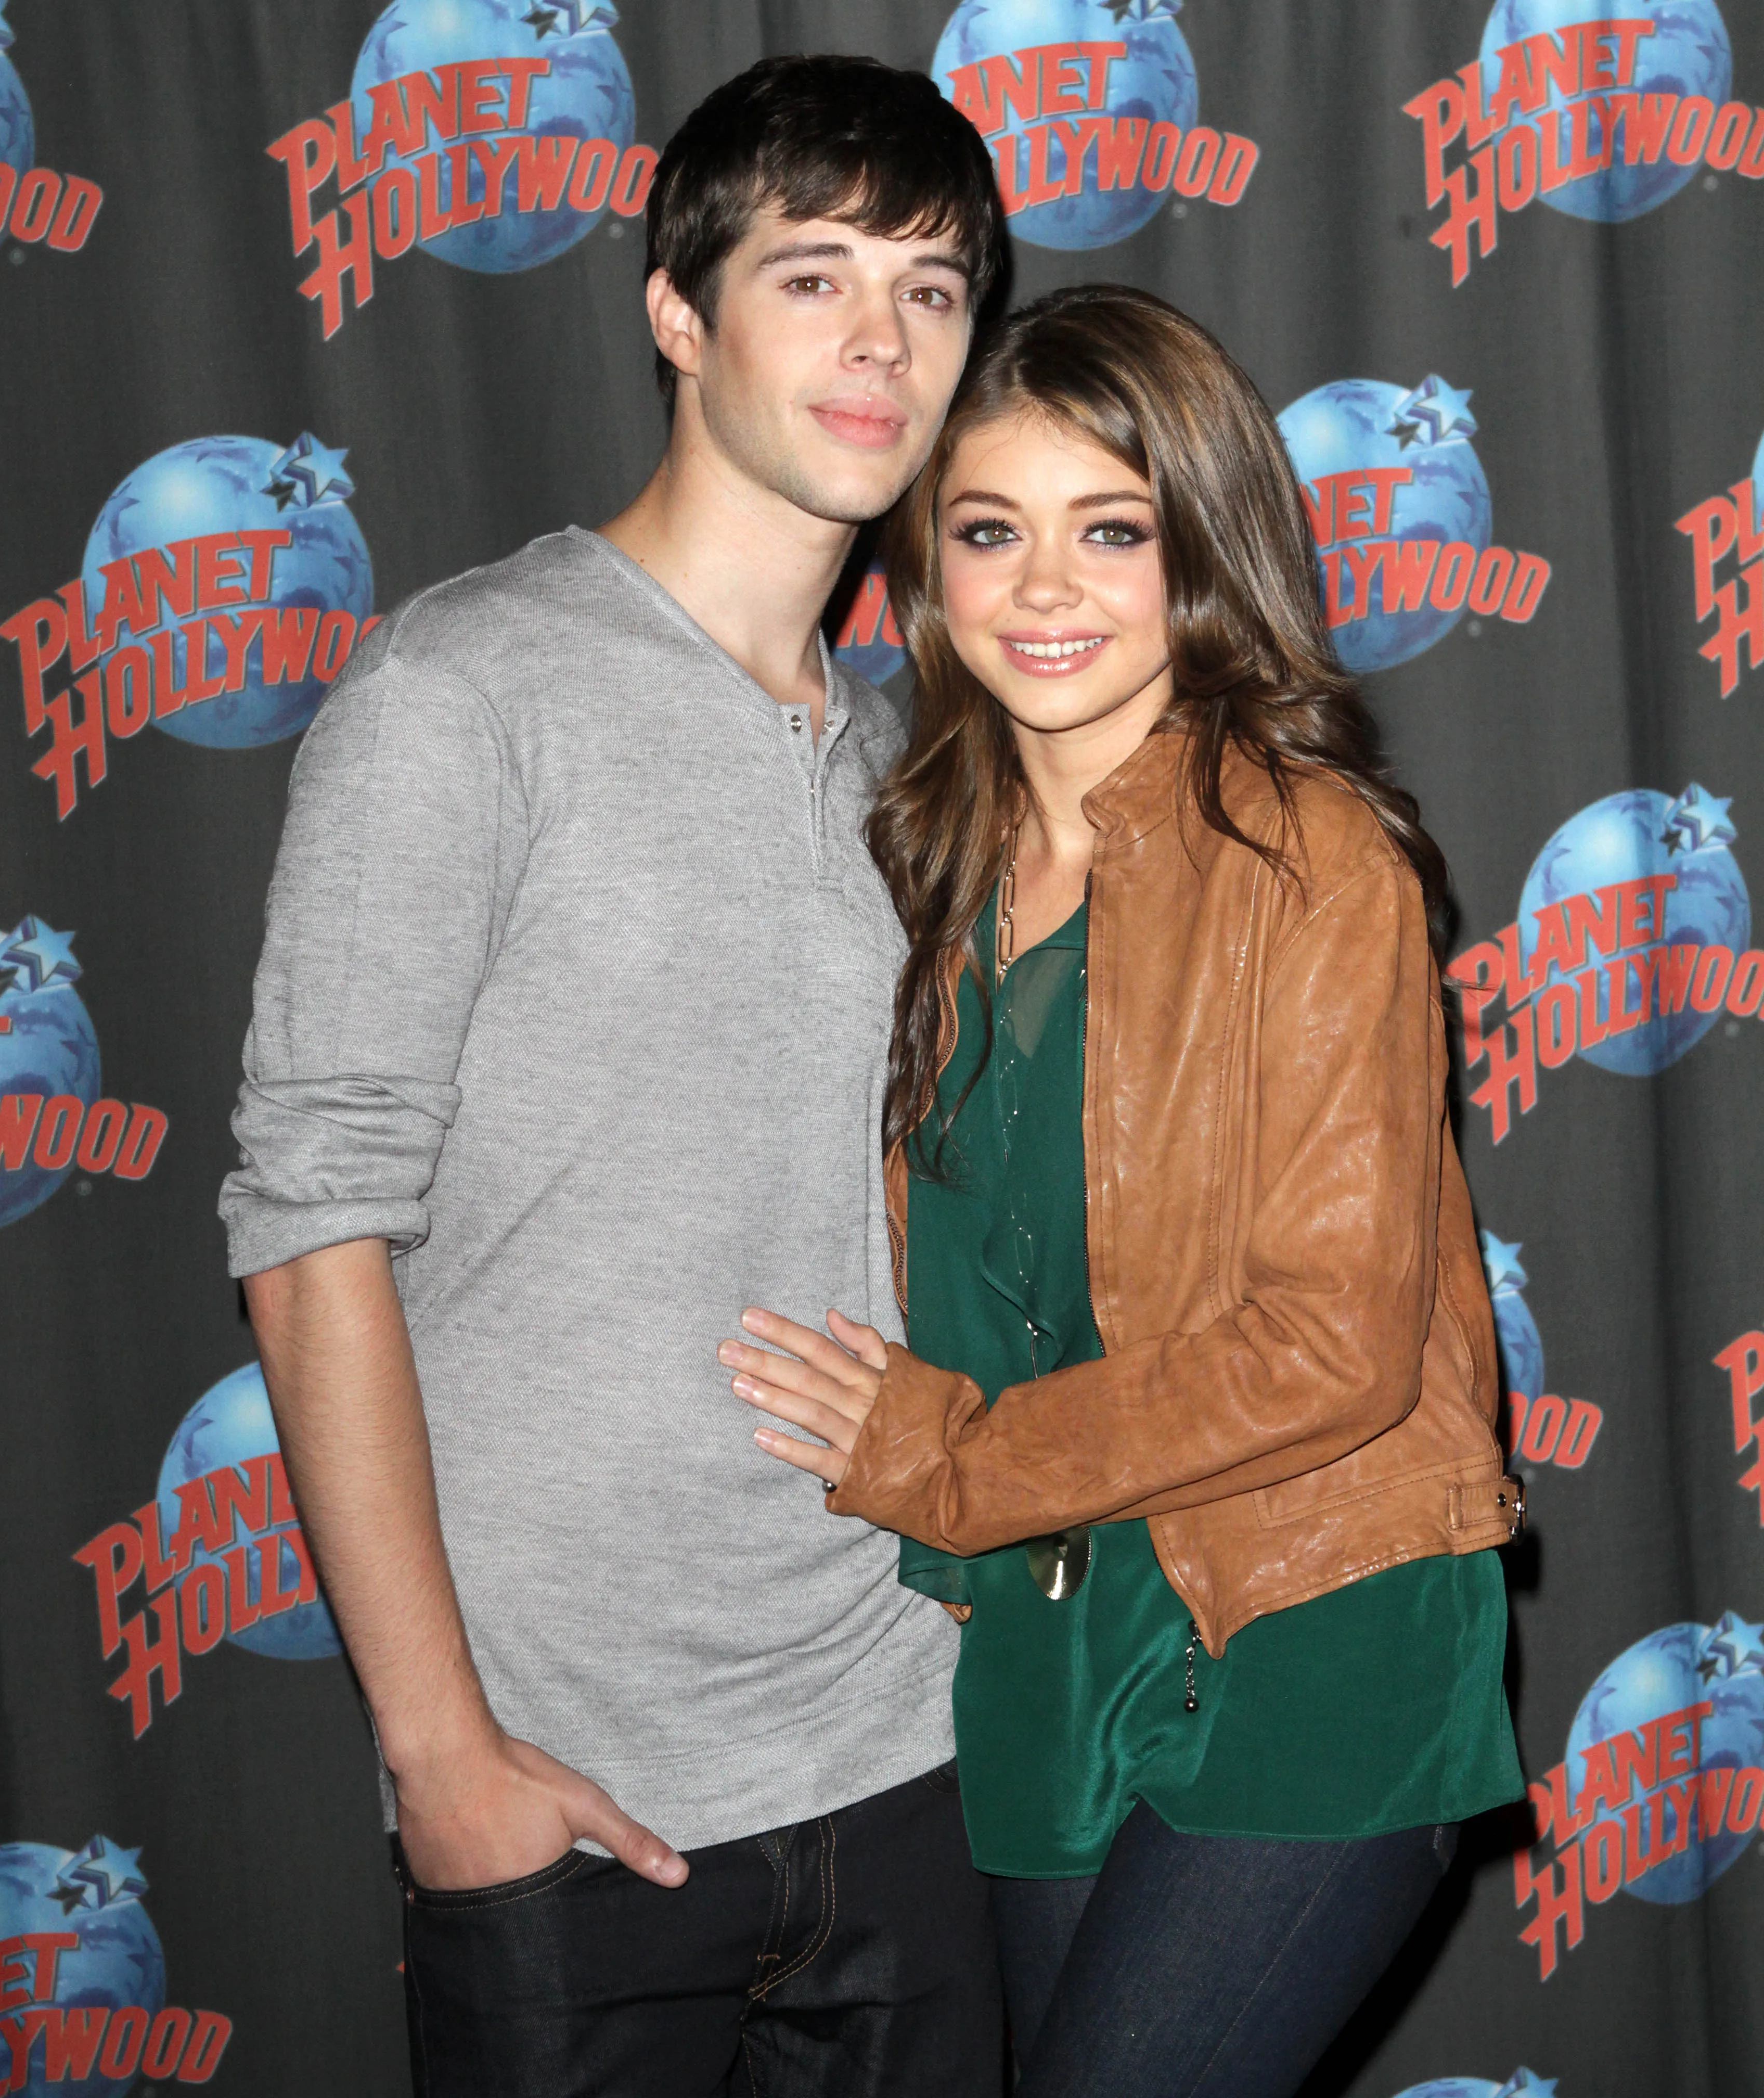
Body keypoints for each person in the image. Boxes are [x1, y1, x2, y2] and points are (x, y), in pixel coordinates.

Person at [219, 55, 1006, 2098]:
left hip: (911, 1760)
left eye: (930, 290)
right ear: (678, 307)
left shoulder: (928, 750)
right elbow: (312, 1237)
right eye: (814, 274)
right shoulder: (458, 690)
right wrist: (442, 1758)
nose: (877, 341)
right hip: (571, 1804)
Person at [725, 285, 1527, 2098]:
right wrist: (945, 1539)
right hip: (1043, 1641)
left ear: (1204, 551)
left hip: (1313, 1618)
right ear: (925, 566)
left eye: (1114, 531)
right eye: (990, 532)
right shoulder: (918, 862)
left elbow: (1334, 1344)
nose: (1046, 588)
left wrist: (948, 1464)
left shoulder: (1310, 853)